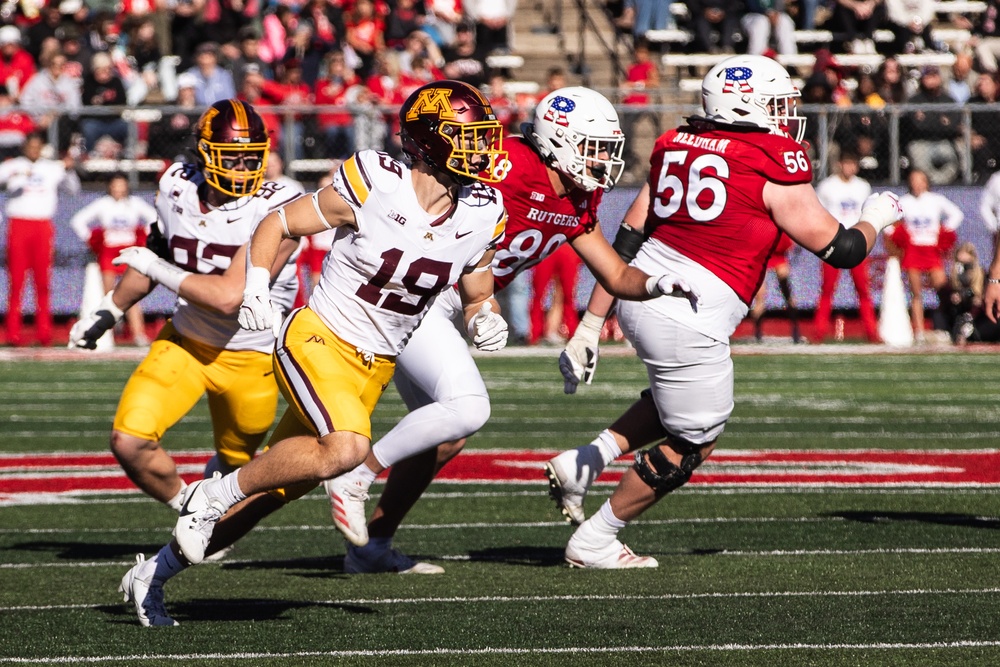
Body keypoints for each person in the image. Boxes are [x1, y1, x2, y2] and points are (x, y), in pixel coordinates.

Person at [119, 80, 515, 626]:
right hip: (317, 338)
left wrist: (484, 319)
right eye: (465, 136)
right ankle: (211, 492)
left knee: (269, 495)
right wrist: (256, 283)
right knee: (348, 447)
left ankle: (152, 575)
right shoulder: (378, 180)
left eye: (480, 136)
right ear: (427, 140)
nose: (480, 148)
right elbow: (281, 221)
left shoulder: (483, 209)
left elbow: (478, 289)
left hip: (374, 367)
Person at [548, 55, 903, 568]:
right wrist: (875, 218)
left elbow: (628, 236)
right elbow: (841, 250)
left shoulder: (677, 141)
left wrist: (591, 320)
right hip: (690, 312)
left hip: (642, 295)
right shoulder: (769, 157)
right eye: (777, 104)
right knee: (695, 440)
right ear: (748, 105)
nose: (786, 115)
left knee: (673, 400)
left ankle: (588, 460)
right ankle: (597, 537)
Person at [323, 86, 694, 574]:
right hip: (422, 294)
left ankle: (371, 547)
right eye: (593, 146)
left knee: (444, 435)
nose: (603, 159)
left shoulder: (579, 194)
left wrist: (652, 285)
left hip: (462, 304)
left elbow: (615, 273)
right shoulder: (504, 164)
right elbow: (430, 199)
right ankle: (355, 476)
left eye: (606, 146)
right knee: (466, 408)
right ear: (558, 141)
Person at [69, 99, 304, 517]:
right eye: (232, 160)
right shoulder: (176, 183)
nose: (244, 170)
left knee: (238, 468)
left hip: (254, 355)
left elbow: (229, 295)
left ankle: (213, 503)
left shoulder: (280, 201)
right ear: (205, 153)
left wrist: (155, 267)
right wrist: (108, 309)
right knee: (129, 441)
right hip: (187, 341)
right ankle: (190, 507)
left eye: (253, 160)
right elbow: (158, 250)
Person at [0, 132, 80, 347]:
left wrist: (69, 169)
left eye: (38, 146)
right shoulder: (12, 165)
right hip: (19, 224)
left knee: (42, 282)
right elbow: (4, 181)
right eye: (30, 146)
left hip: (42, 226)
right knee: (16, 282)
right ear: (25, 148)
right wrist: (17, 175)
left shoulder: (51, 168)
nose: (34, 150)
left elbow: (73, 189)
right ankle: (13, 333)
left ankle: (44, 333)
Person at [70, 172, 158, 346]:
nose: (118, 188)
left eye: (121, 184)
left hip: (130, 252)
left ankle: (138, 334)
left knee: (131, 295)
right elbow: (78, 220)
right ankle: (107, 336)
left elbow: (153, 218)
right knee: (109, 296)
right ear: (110, 187)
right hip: (109, 253)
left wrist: (145, 236)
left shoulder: (134, 203)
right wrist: (92, 239)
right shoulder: (103, 204)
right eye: (115, 185)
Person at [886, 169, 964, 342]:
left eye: (920, 179)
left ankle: (946, 326)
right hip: (914, 250)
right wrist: (899, 235)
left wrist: (944, 231)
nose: (917, 184)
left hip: (931, 249)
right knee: (916, 292)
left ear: (927, 182)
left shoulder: (936, 200)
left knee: (943, 289)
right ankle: (919, 331)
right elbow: (887, 221)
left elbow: (957, 214)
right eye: (913, 180)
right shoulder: (904, 201)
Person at [813, 152, 880, 343]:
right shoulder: (827, 186)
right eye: (846, 163)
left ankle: (871, 333)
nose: (849, 168)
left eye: (853, 164)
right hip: (834, 241)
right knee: (827, 290)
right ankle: (818, 333)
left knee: (863, 289)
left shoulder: (862, 186)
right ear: (840, 164)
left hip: (856, 240)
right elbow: (819, 211)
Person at [746, 232, 800, 343]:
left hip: (774, 256)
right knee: (761, 297)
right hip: (763, 258)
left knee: (787, 294)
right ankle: (758, 333)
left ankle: (795, 330)